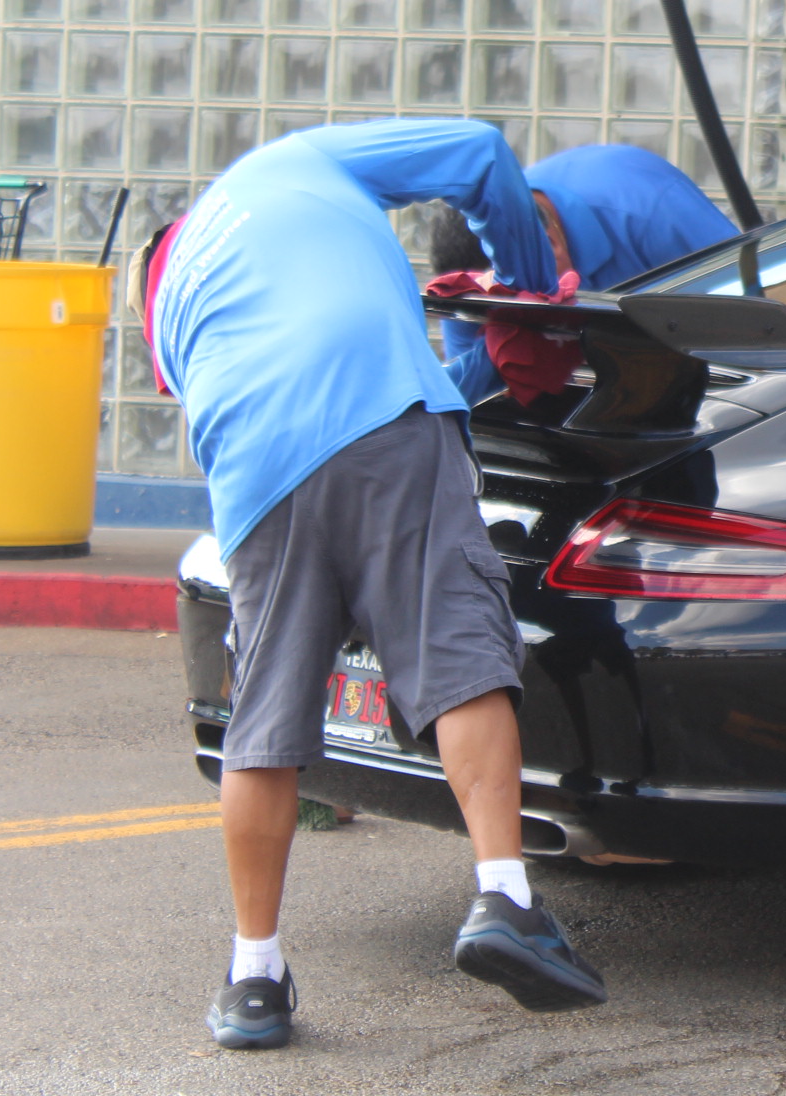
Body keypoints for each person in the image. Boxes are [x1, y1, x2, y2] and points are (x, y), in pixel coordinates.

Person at [137, 119, 608, 1051]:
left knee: (263, 718)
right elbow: (479, 152)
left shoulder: (171, 313)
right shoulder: (289, 167)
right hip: (382, 411)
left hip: (256, 470)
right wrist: (525, 300)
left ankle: (254, 978)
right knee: (457, 656)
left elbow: (254, 403)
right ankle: (505, 898)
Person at [427, 144, 740, 403]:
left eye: (520, 293)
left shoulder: (654, 214)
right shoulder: (472, 279)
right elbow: (463, 403)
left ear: (550, 245)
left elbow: (755, 316)